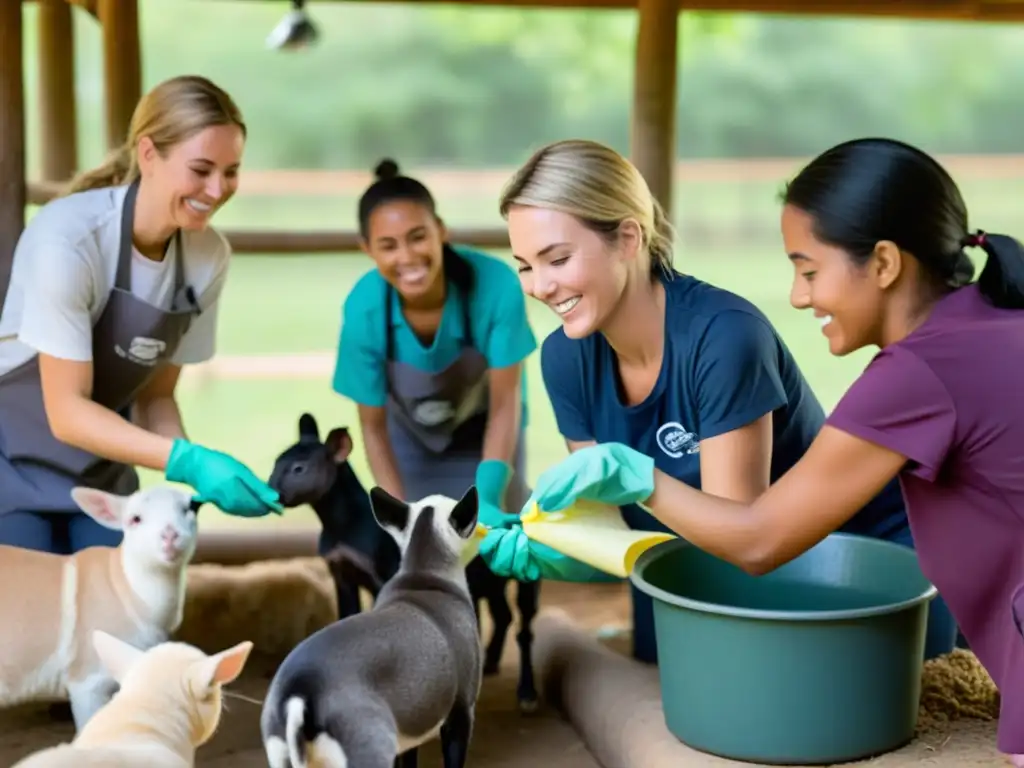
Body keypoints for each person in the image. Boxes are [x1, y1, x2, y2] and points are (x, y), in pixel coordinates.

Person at [490, 137, 1024, 764]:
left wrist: (633, 475)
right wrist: (561, 547)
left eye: (809, 270)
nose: (797, 297)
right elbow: (610, 525)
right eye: (525, 266)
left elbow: (753, 541)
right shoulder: (976, 331)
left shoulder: (882, 370)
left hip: (841, 578)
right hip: (712, 576)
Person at [0, 74, 282, 555]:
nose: (217, 190)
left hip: (104, 471)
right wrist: (189, 461)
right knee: (30, 618)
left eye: (231, 171)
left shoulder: (207, 256)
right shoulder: (68, 239)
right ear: (149, 154)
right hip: (9, 462)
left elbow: (154, 402)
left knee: (125, 616)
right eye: (201, 169)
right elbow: (67, 413)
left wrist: (203, 481)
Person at [332, 159, 537, 528]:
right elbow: (373, 428)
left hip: (487, 430)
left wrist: (489, 497)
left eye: (418, 237)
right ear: (367, 249)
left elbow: (506, 403)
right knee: (425, 543)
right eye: (388, 246)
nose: (408, 257)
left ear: (440, 230)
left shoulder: (495, 287)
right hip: (407, 440)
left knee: (496, 541)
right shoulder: (363, 310)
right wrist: (398, 519)